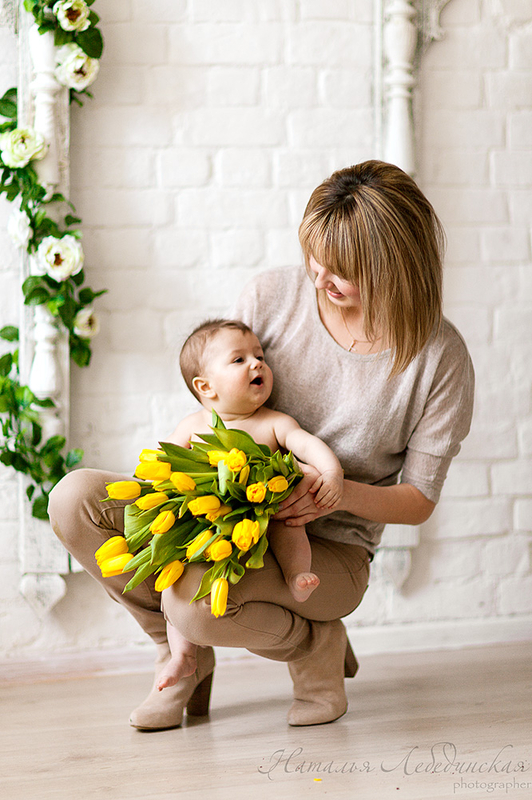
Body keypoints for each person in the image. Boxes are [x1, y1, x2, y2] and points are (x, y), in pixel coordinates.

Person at [48, 160, 474, 732]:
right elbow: (218, 401)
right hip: (227, 516)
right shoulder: (273, 297)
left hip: (329, 549)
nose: (318, 279)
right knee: (74, 500)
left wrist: (332, 493)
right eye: (314, 258)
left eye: (341, 272)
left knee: (195, 599)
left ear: (394, 267)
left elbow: (419, 500)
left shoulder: (439, 358)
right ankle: (179, 658)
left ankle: (315, 646)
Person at [156, 317, 345, 691]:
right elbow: (165, 464)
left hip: (265, 517)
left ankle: (296, 576)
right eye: (239, 359)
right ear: (205, 386)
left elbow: (306, 444)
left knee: (290, 526)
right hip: (209, 526)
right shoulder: (193, 426)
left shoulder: (273, 422)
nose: (257, 363)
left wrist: (331, 471)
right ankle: (182, 654)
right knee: (172, 576)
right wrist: (153, 491)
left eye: (259, 356)